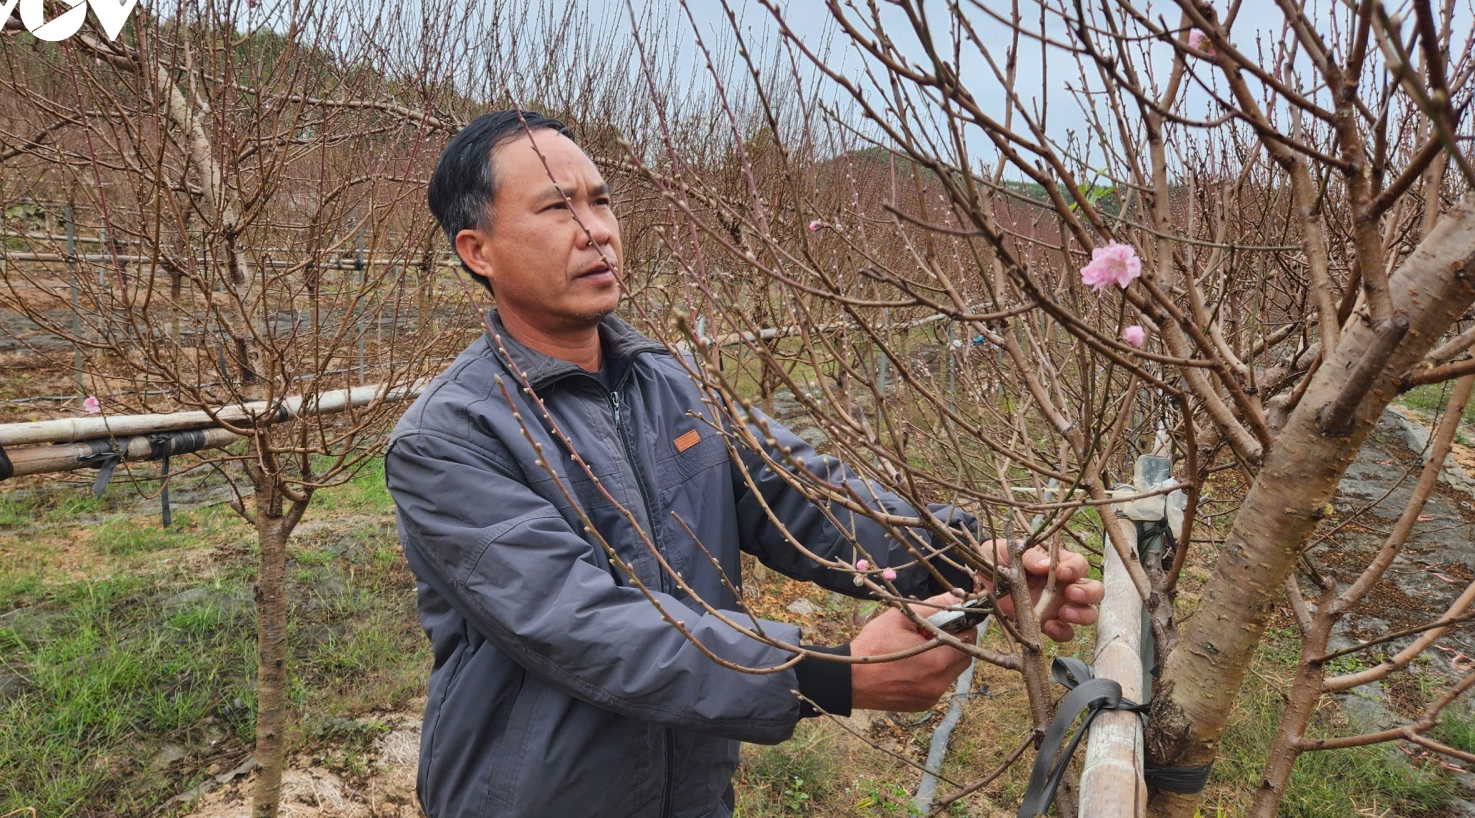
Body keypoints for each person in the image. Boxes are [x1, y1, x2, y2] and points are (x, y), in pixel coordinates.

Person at [385, 109, 1103, 818]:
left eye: (600, 200)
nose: (595, 229)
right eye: (556, 207)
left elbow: (797, 493)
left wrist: (965, 559)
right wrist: (834, 677)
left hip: (690, 791)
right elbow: (581, 625)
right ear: (478, 251)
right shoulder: (449, 438)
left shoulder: (666, 382)